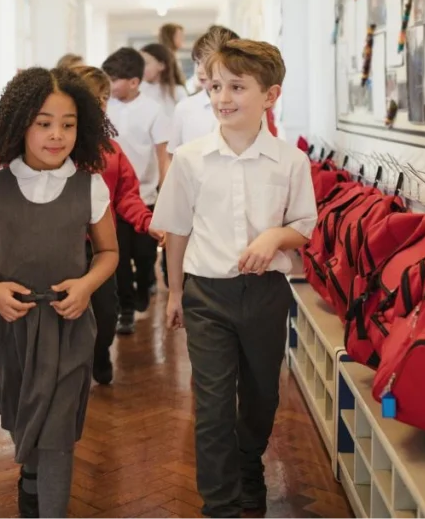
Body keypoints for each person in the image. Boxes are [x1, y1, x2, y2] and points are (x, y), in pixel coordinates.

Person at [153, 38, 317, 518]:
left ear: (270, 96)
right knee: (213, 405)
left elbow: (304, 229)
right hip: (208, 295)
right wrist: (176, 293)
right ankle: (219, 504)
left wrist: (273, 238)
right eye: (216, 85)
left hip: (266, 295)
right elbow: (177, 229)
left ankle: (250, 466)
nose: (222, 97)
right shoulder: (189, 159)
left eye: (237, 87)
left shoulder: (291, 161)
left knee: (262, 397)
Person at [0, 67, 120, 519]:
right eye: (44, 123)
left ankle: (49, 505)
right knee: (23, 417)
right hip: (14, 324)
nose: (57, 135)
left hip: (69, 323)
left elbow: (108, 251)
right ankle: (30, 476)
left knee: (58, 434)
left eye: (68, 125)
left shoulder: (89, 184)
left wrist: (87, 286)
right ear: (20, 125)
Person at [65, 62, 163, 383]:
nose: (100, 105)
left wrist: (148, 222)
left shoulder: (110, 150)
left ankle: (100, 352)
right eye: (92, 99)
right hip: (59, 248)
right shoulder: (52, 148)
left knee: (106, 313)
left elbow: (126, 196)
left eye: (104, 98)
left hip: (100, 249)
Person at [101, 47, 171, 334]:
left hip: (145, 197)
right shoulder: (105, 108)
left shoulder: (154, 110)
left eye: (114, 80)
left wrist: (165, 192)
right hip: (112, 201)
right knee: (117, 257)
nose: (109, 85)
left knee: (144, 255)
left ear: (133, 81)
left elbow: (163, 155)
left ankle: (144, 286)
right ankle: (125, 309)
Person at [168, 26, 239, 156]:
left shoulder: (245, 105)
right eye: (197, 62)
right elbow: (172, 155)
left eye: (207, 63)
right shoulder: (185, 108)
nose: (199, 71)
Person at [140, 42, 188, 119]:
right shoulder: (137, 90)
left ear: (161, 65)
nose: (140, 68)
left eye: (146, 63)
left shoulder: (178, 91)